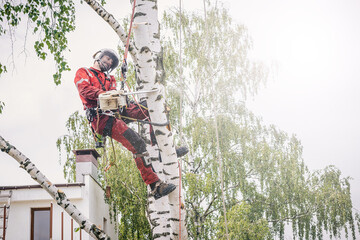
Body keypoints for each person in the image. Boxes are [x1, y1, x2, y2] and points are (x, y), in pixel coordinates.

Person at [74, 48, 187, 199]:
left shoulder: (110, 79)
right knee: (137, 143)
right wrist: (104, 94)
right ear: (99, 57)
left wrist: (121, 97)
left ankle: (163, 148)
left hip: (117, 110)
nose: (108, 63)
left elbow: (115, 94)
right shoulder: (84, 72)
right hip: (101, 118)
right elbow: (84, 90)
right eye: (107, 59)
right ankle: (155, 186)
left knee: (154, 106)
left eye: (111, 62)